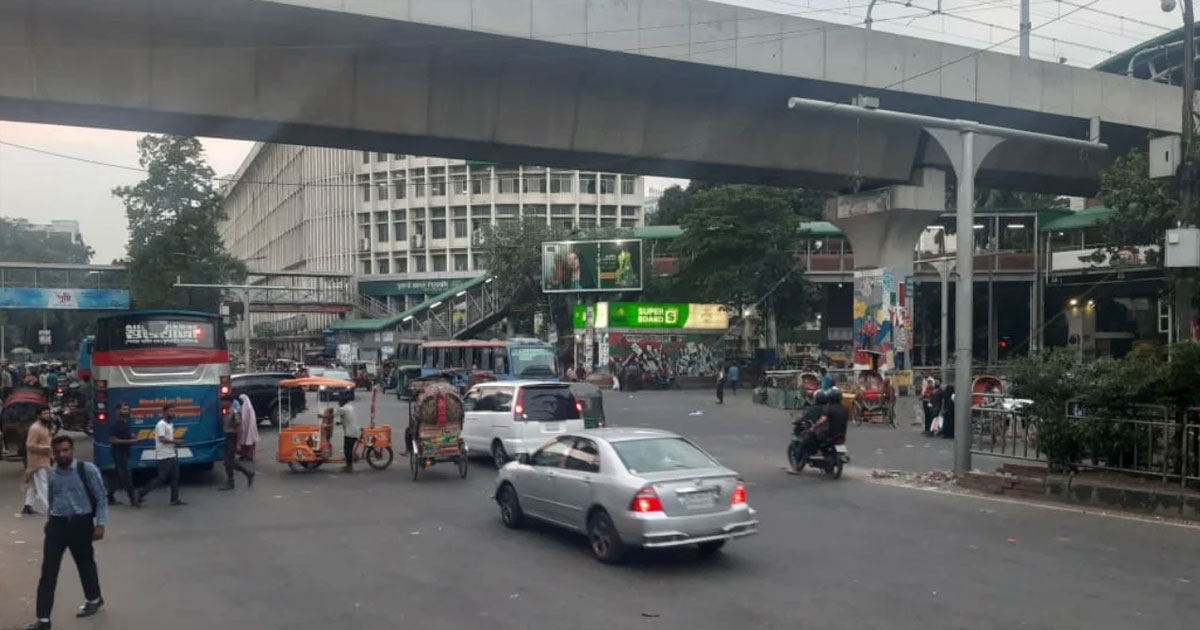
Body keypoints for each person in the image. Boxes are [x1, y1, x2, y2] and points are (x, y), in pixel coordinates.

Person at [25, 434, 108, 630]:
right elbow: (52, 499)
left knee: (85, 564)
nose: (62, 454)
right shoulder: (52, 474)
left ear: (72, 450)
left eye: (65, 450)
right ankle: (43, 619)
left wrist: (100, 524)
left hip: (81, 524)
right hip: (57, 526)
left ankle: (93, 599)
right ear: (53, 453)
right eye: (58, 451)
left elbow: (101, 498)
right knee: (48, 572)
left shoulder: (86, 470)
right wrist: (50, 522)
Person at [136, 405, 185, 506]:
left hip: (171, 454)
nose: (172, 413)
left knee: (175, 477)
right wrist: (175, 441)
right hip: (163, 456)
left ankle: (174, 499)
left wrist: (174, 444)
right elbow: (161, 439)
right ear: (164, 412)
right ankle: (141, 493)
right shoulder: (161, 425)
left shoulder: (170, 424)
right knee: (161, 478)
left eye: (173, 411)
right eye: (170, 411)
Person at [104, 403, 140, 507]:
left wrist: (133, 437)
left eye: (127, 409)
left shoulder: (124, 423)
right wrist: (131, 441)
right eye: (124, 409)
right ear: (118, 411)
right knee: (126, 476)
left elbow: (125, 435)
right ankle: (133, 499)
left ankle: (109, 497)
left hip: (124, 452)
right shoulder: (116, 424)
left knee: (117, 476)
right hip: (119, 453)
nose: (126, 411)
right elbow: (113, 440)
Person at [219, 394, 255, 490]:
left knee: (228, 461)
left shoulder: (234, 412)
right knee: (228, 462)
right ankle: (246, 474)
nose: (222, 403)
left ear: (229, 402)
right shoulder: (225, 411)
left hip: (232, 437)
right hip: (227, 436)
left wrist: (238, 443)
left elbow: (239, 428)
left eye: (224, 401)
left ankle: (235, 480)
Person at [23, 407, 54, 515]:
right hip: (37, 462)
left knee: (34, 486)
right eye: (45, 413)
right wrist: (47, 448)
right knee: (43, 486)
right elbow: (30, 445)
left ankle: (27, 506)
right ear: (38, 416)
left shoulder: (45, 427)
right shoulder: (35, 428)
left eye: (49, 413)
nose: (48, 415)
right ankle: (50, 509)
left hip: (44, 460)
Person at [335, 398, 362, 473]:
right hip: (354, 430)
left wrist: (322, 416)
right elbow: (348, 418)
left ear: (342, 401)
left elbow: (332, 415)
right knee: (348, 449)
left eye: (339, 401)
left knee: (347, 450)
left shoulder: (343, 409)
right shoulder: (350, 407)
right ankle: (349, 464)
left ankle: (349, 466)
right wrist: (340, 423)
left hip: (350, 432)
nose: (338, 403)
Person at [236, 393, 260, 461]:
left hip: (249, 427)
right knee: (243, 441)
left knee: (249, 441)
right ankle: (244, 454)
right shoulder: (241, 407)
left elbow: (250, 419)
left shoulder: (249, 408)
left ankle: (249, 456)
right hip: (243, 427)